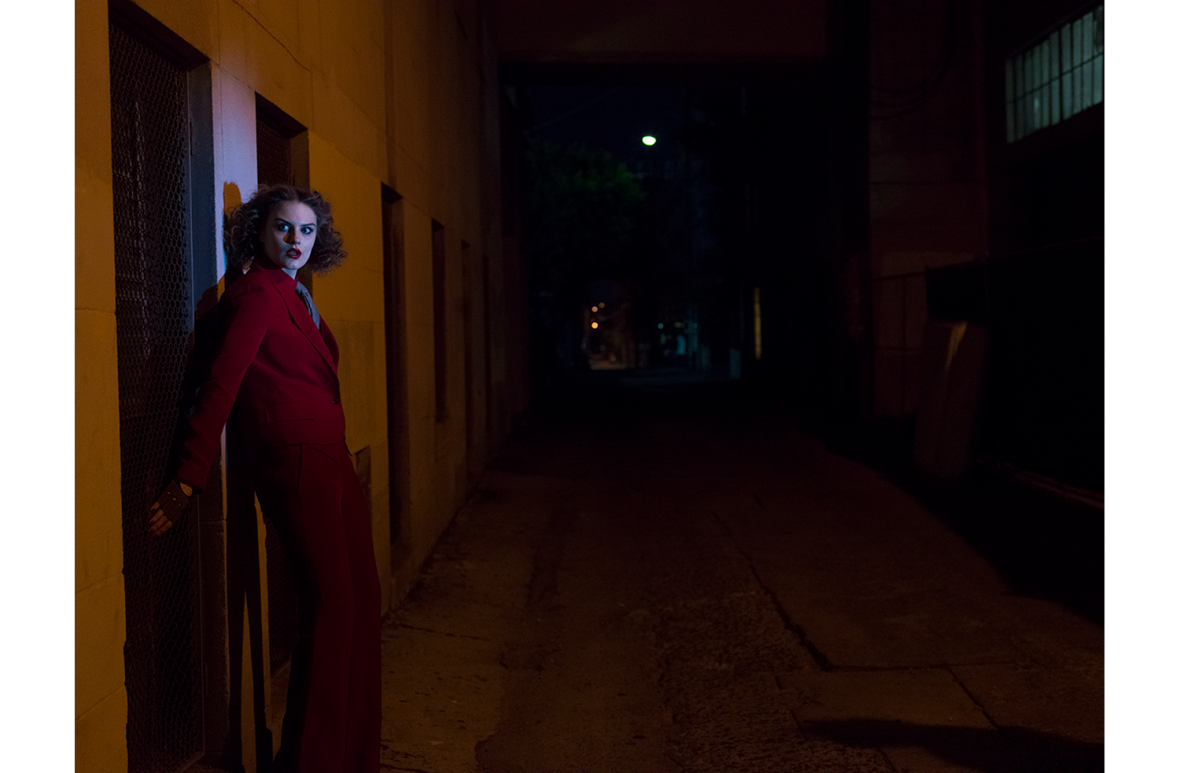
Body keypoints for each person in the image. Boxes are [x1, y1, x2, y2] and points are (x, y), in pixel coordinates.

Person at [148, 184, 381, 773]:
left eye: (307, 230)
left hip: (331, 454)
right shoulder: (256, 292)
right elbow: (223, 380)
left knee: (362, 601)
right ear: (259, 230)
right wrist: (188, 475)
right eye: (283, 227)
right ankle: (312, 762)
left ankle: (352, 757)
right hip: (295, 456)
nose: (296, 239)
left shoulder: (296, 293)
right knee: (332, 607)